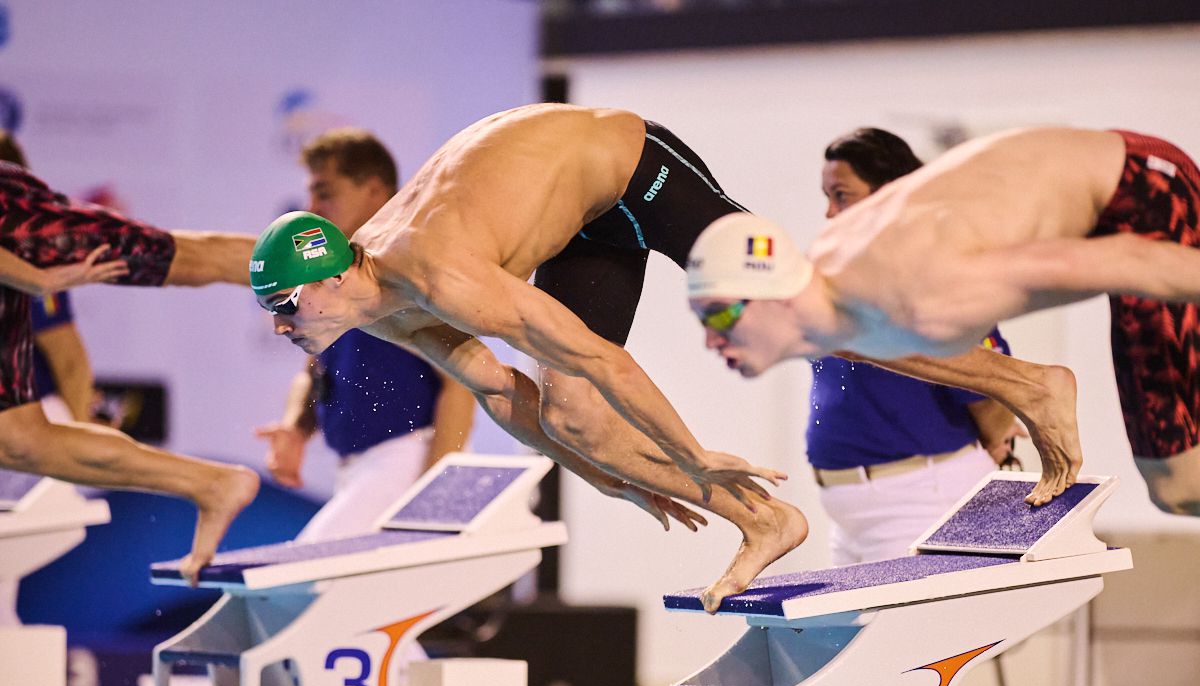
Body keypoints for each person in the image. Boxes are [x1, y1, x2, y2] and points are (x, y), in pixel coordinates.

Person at [249, 104, 801, 614]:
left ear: (334, 277)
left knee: (784, 307)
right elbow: (496, 390)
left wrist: (692, 455)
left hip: (632, 167)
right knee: (572, 417)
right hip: (583, 221)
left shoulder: (441, 276)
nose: (278, 324)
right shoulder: (378, 307)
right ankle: (766, 520)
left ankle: (883, 346)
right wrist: (605, 475)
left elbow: (603, 362)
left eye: (284, 304)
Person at [686, 127, 1200, 516]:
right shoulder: (829, 291)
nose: (709, 340)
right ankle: (1039, 386)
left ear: (774, 296)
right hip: (1088, 176)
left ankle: (1042, 387)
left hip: (1143, 189)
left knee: (1180, 486)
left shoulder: (922, 292)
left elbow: (1129, 261)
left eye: (720, 314)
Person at [0, 130, 261, 584]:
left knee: (188, 260)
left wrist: (37, 280)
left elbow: (69, 357)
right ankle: (214, 484)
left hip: (14, 219)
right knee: (16, 441)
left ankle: (336, 266)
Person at [809, 128, 1023, 565]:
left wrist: (998, 439)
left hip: (922, 501)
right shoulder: (835, 276)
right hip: (850, 513)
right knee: (849, 636)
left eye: (842, 195)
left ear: (889, 195)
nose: (830, 213)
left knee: (924, 635)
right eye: (827, 197)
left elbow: (990, 390)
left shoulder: (936, 276)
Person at [256, 129, 475, 540]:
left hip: (408, 459)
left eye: (325, 193)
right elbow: (315, 368)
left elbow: (462, 385)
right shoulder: (335, 275)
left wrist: (433, 497)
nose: (312, 209)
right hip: (362, 471)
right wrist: (295, 428)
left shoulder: (409, 268)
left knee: (301, 582)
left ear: (374, 190)